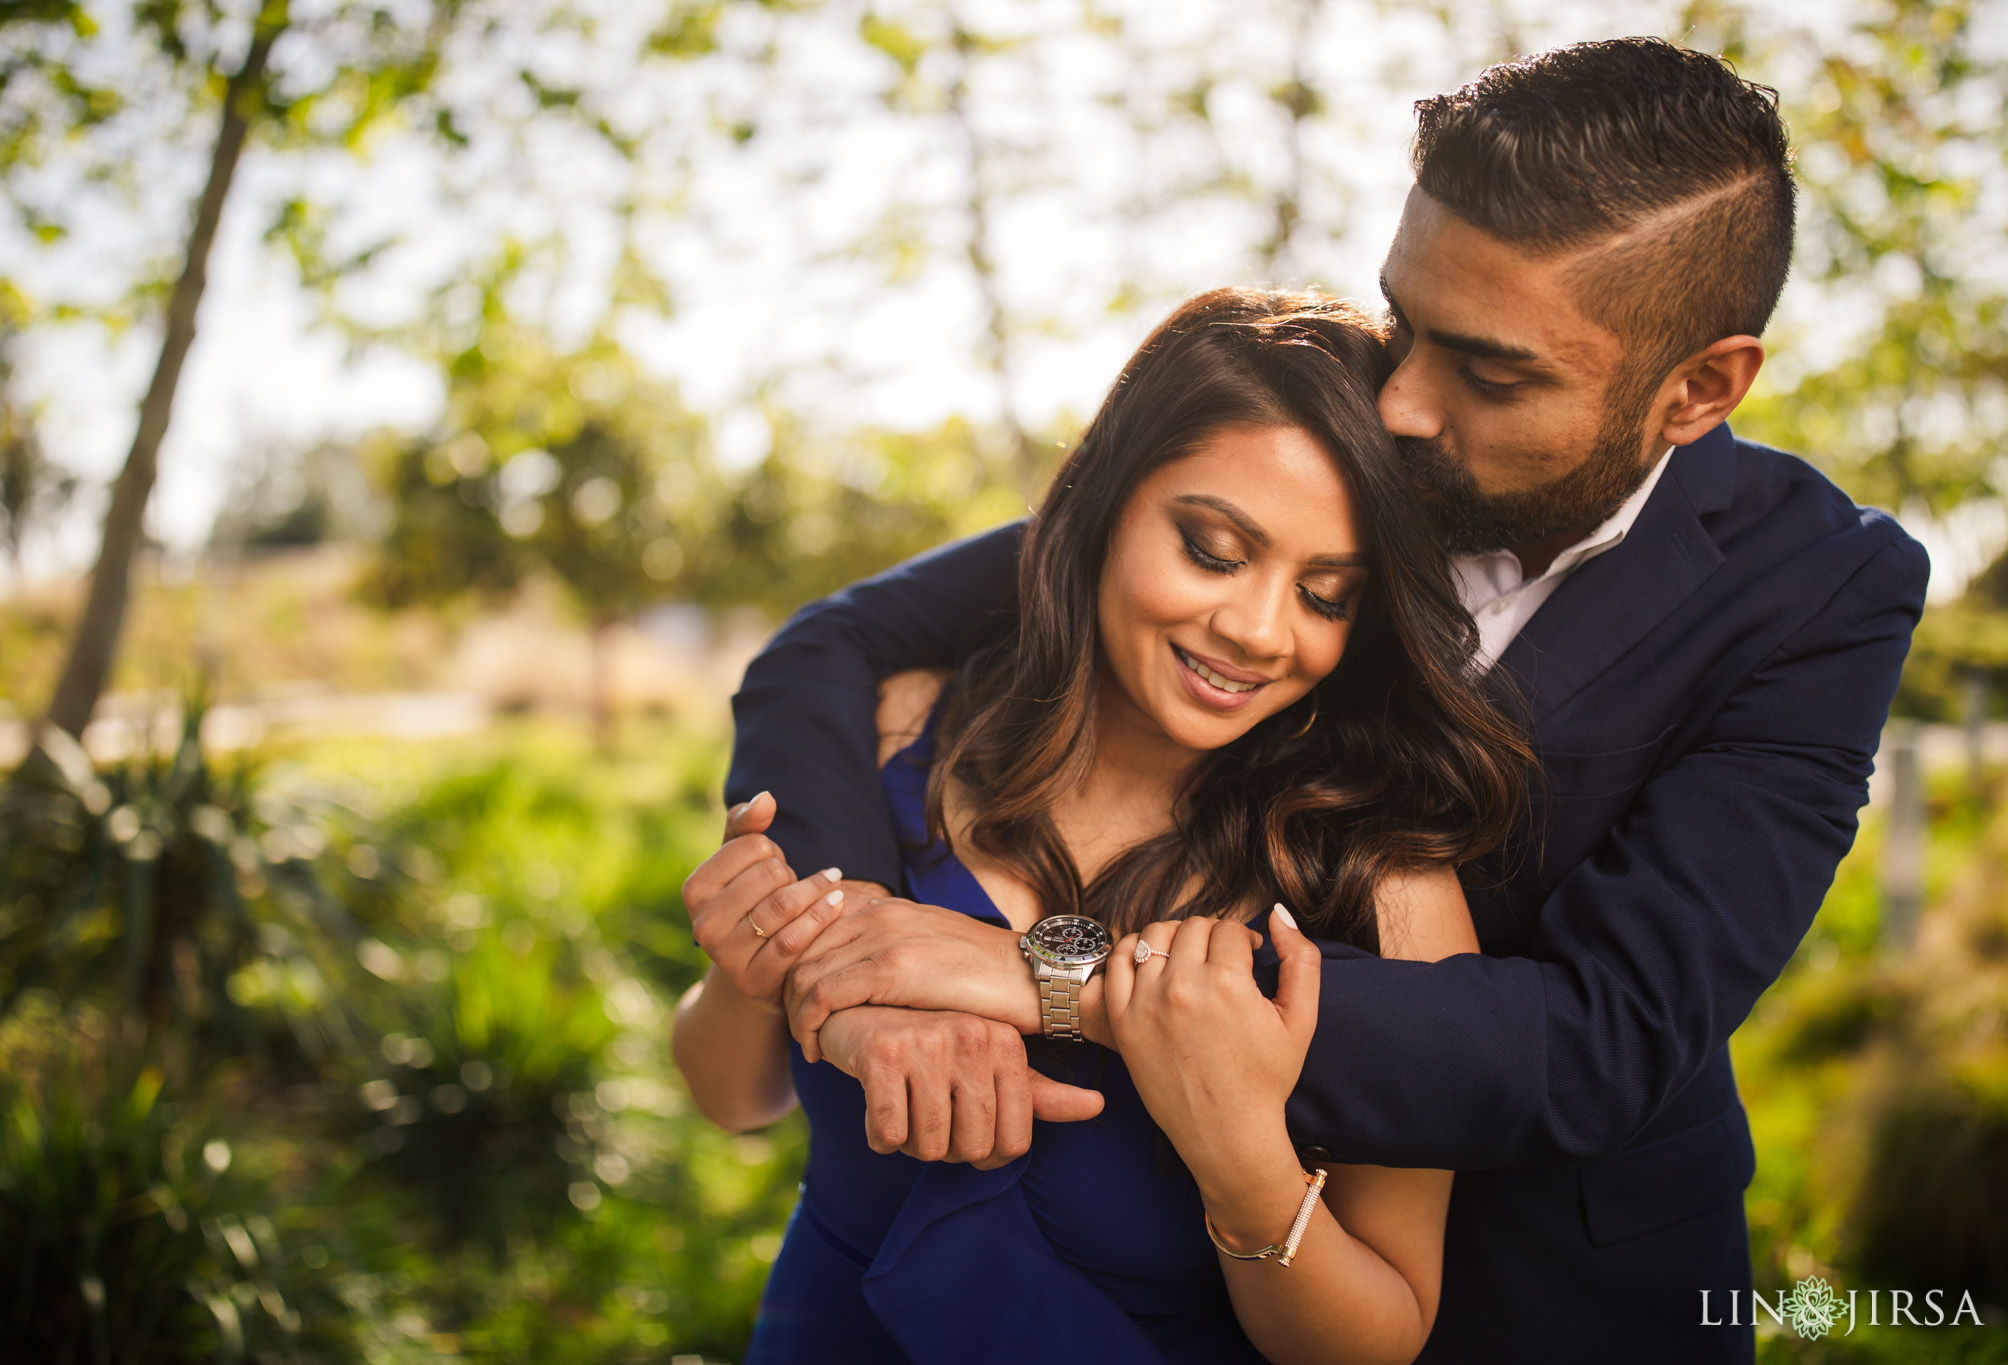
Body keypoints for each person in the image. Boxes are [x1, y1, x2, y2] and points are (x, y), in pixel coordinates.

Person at [721, 38, 1929, 1364]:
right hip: (1183, 1265)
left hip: (1564, 1293)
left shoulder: (1822, 589)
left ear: (1699, 387)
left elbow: (1602, 1041)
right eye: (1406, 318)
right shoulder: (1353, 428)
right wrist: (861, 948)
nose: (1405, 399)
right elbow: (839, 641)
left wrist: (1044, 982)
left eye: (1491, 370)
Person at [674, 290, 1534, 1363]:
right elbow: (733, 1098)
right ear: (1102, 501)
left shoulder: (1381, 889)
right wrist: (742, 975)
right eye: (1213, 550)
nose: (1257, 631)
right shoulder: (900, 728)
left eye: (1324, 595)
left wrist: (1240, 1161)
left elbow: (1378, 1339)